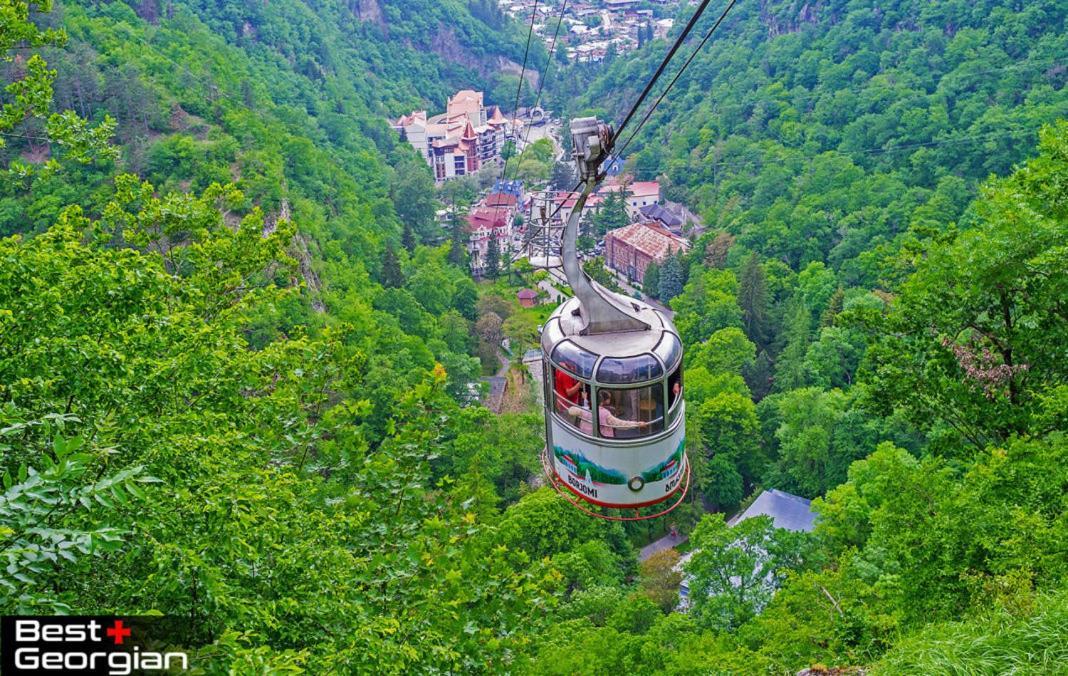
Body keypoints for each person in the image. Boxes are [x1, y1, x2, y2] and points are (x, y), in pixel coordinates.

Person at [569, 390, 648, 438]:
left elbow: (571, 410)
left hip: (587, 437)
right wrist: (637, 424)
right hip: (603, 440)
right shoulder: (604, 413)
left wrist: (585, 402)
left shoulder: (584, 410)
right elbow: (620, 424)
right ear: (602, 402)